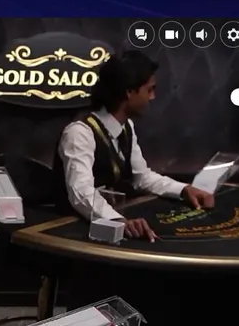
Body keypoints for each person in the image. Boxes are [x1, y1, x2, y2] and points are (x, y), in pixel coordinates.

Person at [56, 51, 215, 241]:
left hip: (104, 225)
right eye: (149, 90)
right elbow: (81, 192)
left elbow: (142, 177)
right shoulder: (79, 133)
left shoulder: (126, 127)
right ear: (129, 92)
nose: (152, 97)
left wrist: (184, 190)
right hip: (67, 231)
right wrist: (118, 220)